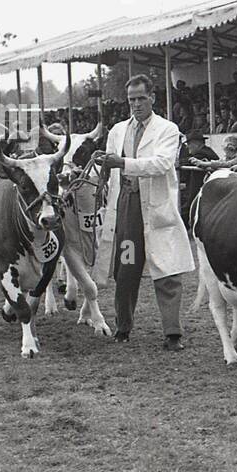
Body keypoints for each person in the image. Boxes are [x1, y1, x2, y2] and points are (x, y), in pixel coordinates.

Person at [91, 74, 194, 350]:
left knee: (167, 272)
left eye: (141, 98)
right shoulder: (117, 130)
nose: (136, 104)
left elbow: (161, 164)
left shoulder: (167, 129)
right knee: (126, 268)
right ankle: (123, 327)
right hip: (126, 207)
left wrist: (122, 161)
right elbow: (110, 168)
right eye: (131, 99)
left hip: (156, 208)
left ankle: (173, 333)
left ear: (153, 98)